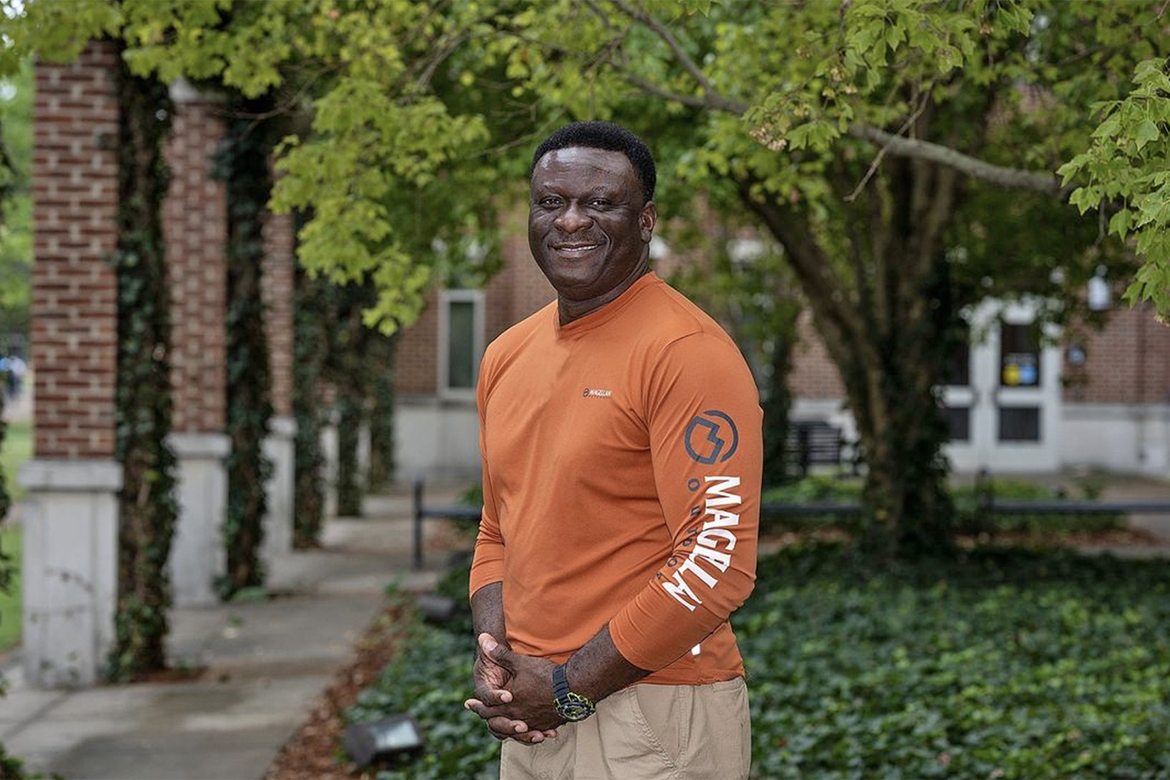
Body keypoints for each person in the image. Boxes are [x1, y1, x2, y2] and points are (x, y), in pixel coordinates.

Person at [464, 121, 762, 780]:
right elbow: (496, 530)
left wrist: (570, 686)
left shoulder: (687, 353)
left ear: (646, 220)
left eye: (599, 202)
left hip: (656, 711)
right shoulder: (506, 356)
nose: (571, 220)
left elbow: (716, 560)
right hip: (535, 714)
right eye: (551, 202)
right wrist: (496, 655)